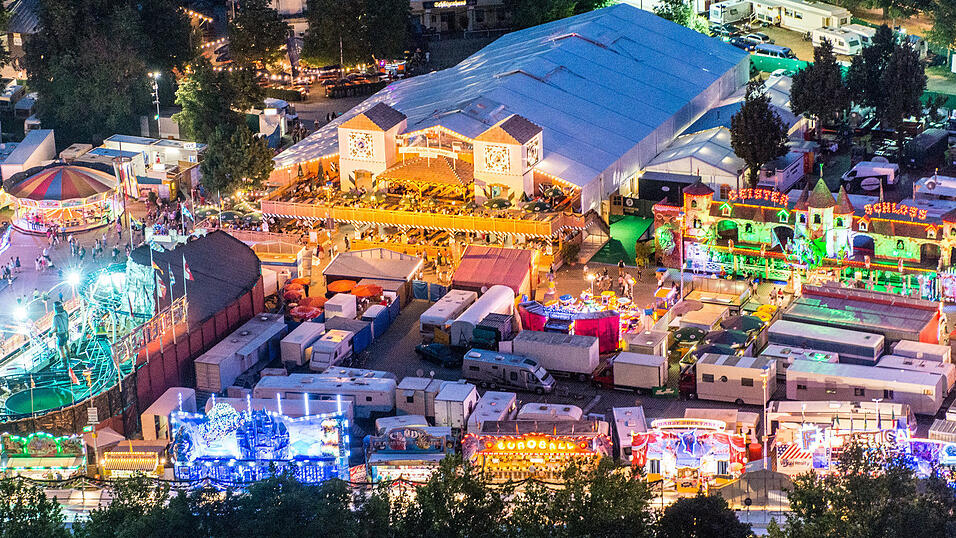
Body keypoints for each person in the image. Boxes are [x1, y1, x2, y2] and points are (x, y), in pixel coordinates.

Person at [53, 302, 70, 369]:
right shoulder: (65, 313)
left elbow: (55, 328)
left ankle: (64, 364)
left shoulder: (56, 317)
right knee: (66, 345)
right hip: (66, 332)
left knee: (60, 348)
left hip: (61, 334)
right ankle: (69, 359)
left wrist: (50, 333)